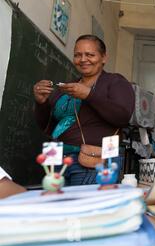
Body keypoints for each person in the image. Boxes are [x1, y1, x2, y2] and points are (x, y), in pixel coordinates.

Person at [33, 35, 135, 185]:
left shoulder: (115, 81)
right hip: (56, 159)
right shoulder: (67, 86)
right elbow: (47, 127)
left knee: (84, 206)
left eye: (90, 55)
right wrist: (41, 103)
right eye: (77, 55)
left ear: (104, 58)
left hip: (91, 161)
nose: (83, 59)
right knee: (57, 207)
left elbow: (122, 117)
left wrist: (88, 95)